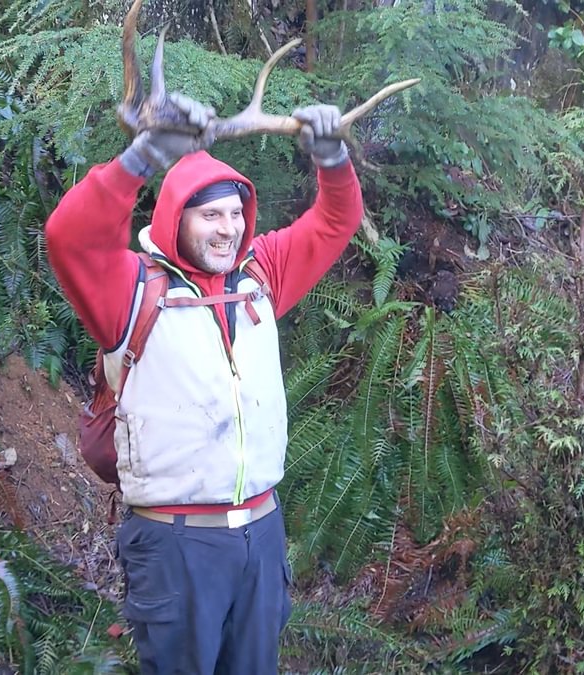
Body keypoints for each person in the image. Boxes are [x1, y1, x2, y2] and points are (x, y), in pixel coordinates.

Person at [44, 92, 363, 674]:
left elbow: (335, 222)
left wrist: (333, 160)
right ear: (175, 218)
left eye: (236, 214)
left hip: (261, 536)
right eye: (210, 215)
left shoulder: (260, 276)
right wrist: (142, 157)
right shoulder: (131, 291)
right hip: (176, 544)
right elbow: (70, 238)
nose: (228, 229)